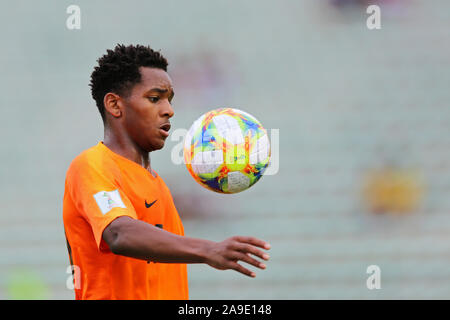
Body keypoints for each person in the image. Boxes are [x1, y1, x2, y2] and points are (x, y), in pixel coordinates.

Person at [62, 44, 271, 300]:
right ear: (115, 105)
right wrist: (208, 249)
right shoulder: (91, 166)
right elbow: (119, 233)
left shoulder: (157, 185)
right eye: (155, 98)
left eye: (169, 99)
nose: (169, 109)